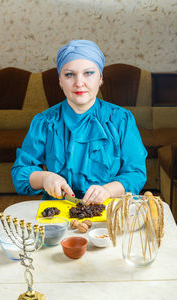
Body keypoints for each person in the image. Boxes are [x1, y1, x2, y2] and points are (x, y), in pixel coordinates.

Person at [11, 40, 147, 205]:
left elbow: (136, 174)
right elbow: (20, 173)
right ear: (60, 80)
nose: (79, 83)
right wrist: (46, 177)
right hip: (57, 213)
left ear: (100, 78)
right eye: (69, 74)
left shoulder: (122, 119)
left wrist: (108, 190)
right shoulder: (44, 122)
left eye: (88, 73)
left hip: (110, 212)